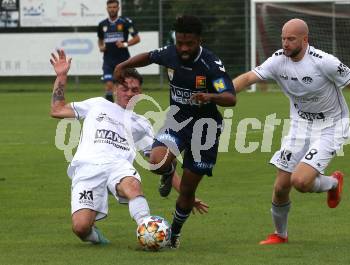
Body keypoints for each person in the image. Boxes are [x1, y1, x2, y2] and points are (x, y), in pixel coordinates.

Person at [232, 18, 350, 245]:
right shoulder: (278, 60)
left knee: (300, 182)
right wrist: (223, 93)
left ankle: (332, 183)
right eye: (283, 38)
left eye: (291, 39)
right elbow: (248, 77)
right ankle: (280, 235)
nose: (285, 43)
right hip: (299, 127)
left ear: (305, 39)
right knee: (281, 187)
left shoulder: (324, 62)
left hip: (331, 127)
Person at [49, 49, 207, 245]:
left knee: (132, 186)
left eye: (135, 90)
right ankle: (99, 239)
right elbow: (57, 110)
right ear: (115, 89)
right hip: (87, 167)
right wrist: (62, 76)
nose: (129, 93)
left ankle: (148, 230)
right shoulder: (97, 105)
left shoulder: (141, 124)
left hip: (118, 166)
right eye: (125, 88)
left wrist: (185, 194)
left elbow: (162, 165)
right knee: (81, 228)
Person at [114, 15, 236, 248]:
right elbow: (148, 57)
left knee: (188, 190)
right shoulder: (171, 53)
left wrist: (210, 96)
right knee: (156, 163)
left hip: (205, 131)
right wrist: (123, 65)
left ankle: (175, 233)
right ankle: (168, 173)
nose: (184, 48)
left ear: (199, 40)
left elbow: (231, 98)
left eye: (189, 43)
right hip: (178, 122)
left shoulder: (211, 64)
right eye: (180, 43)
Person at [98, 0, 140, 102]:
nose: (112, 9)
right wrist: (101, 47)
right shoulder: (102, 24)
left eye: (114, 7)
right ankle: (110, 109)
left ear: (118, 8)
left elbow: (137, 38)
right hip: (108, 61)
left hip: (123, 61)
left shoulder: (125, 22)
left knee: (125, 87)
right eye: (110, 7)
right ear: (107, 8)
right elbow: (100, 40)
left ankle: (125, 109)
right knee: (109, 85)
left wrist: (125, 44)